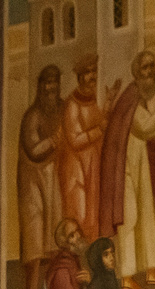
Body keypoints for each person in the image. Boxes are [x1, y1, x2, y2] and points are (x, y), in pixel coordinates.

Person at [99, 53, 155, 289]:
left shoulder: (138, 98)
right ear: (136, 72)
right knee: (129, 218)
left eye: (152, 66)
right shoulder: (130, 97)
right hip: (124, 170)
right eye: (145, 67)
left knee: (146, 216)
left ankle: (151, 269)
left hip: (138, 163)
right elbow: (145, 127)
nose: (150, 71)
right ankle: (127, 275)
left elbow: (149, 131)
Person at [17, 65, 67, 289]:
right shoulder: (32, 116)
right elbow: (33, 150)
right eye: (46, 83)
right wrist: (54, 140)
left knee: (56, 236)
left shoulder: (63, 108)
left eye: (54, 82)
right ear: (40, 87)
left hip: (54, 178)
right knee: (35, 238)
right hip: (32, 181)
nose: (51, 87)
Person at [61, 58, 110, 242]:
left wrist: (108, 104)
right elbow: (74, 140)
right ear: (80, 77)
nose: (93, 76)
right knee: (79, 211)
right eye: (88, 72)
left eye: (94, 71)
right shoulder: (72, 105)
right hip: (76, 167)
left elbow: (101, 121)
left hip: (93, 164)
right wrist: (99, 130)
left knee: (93, 212)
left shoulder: (94, 101)